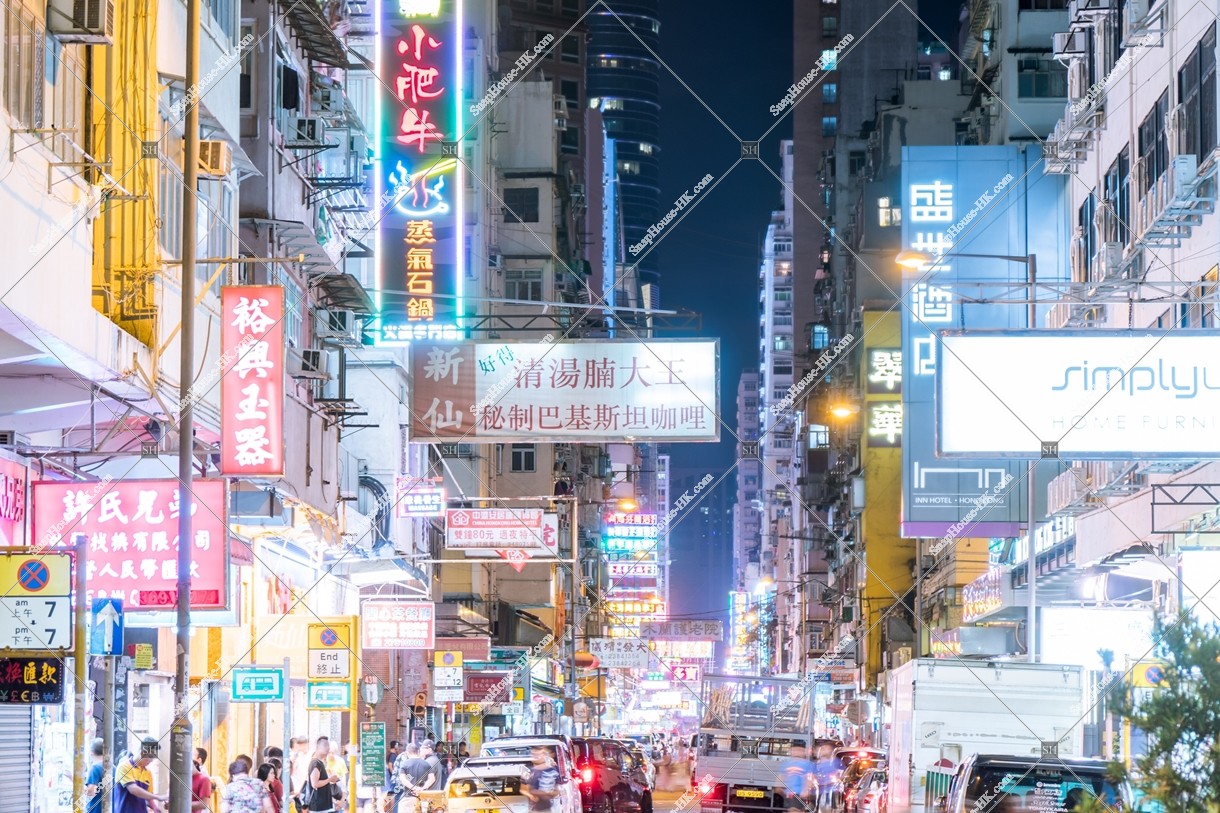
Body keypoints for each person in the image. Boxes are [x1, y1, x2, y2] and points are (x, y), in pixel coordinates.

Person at [114, 738, 169, 813]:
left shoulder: (148, 772)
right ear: (142, 753)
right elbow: (133, 789)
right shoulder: (124, 766)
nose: (151, 761)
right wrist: (158, 797)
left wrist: (155, 807)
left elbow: (149, 795)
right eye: (150, 757)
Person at [393, 744, 435, 813]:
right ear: (418, 751)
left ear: (407, 752)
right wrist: (422, 788)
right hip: (423, 798)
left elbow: (403, 779)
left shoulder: (404, 764)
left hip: (408, 797)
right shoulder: (426, 764)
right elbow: (432, 779)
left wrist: (414, 788)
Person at [778, 742, 815, 812]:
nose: (796, 752)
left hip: (800, 794)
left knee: (794, 810)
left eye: (799, 750)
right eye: (794, 750)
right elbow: (781, 777)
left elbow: (810, 778)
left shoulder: (808, 764)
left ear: (804, 752)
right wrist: (779, 789)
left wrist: (806, 790)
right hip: (788, 794)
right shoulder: (786, 764)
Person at [521, 746, 560, 813]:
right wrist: (531, 796)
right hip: (534, 808)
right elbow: (523, 789)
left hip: (549, 808)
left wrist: (550, 793)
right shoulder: (528, 770)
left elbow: (557, 790)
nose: (535, 757)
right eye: (533, 754)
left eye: (538, 755)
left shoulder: (553, 770)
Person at [306, 742, 343, 813]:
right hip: (318, 806)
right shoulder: (315, 763)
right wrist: (330, 779)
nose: (329, 755)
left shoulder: (323, 765)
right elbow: (315, 784)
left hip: (326, 805)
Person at [810, 744, 839, 813]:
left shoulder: (835, 761)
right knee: (817, 797)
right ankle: (815, 807)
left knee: (832, 797)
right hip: (820, 784)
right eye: (824, 749)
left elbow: (839, 771)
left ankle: (832, 808)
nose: (826, 751)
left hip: (831, 784)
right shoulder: (817, 762)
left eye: (828, 749)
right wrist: (815, 779)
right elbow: (813, 772)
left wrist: (835, 776)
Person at [86, 738, 106, 813]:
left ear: (91, 752)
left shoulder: (95, 768)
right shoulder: (113, 767)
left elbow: (91, 791)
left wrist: (73, 779)